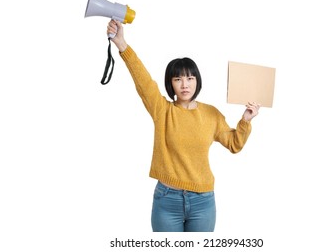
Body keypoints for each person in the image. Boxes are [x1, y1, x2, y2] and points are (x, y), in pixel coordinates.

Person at [106, 20, 260, 232]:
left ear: (197, 80)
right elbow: (143, 81)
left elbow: (235, 144)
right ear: (171, 84)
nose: (184, 84)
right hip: (167, 200)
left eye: (189, 78)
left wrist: (245, 120)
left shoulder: (211, 114)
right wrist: (122, 44)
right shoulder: (162, 110)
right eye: (178, 79)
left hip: (203, 202)